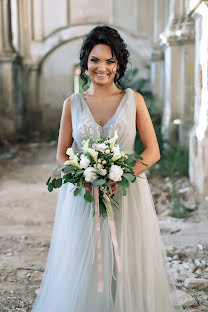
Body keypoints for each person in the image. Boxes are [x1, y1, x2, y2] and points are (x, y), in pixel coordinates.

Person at [31, 25, 183, 312]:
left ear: (119, 64)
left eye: (109, 60)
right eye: (95, 60)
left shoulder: (133, 100)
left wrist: (121, 176)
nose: (102, 67)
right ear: (85, 63)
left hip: (126, 193)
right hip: (83, 196)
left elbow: (153, 150)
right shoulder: (72, 104)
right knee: (84, 260)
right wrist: (82, 175)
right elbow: (62, 154)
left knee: (126, 259)